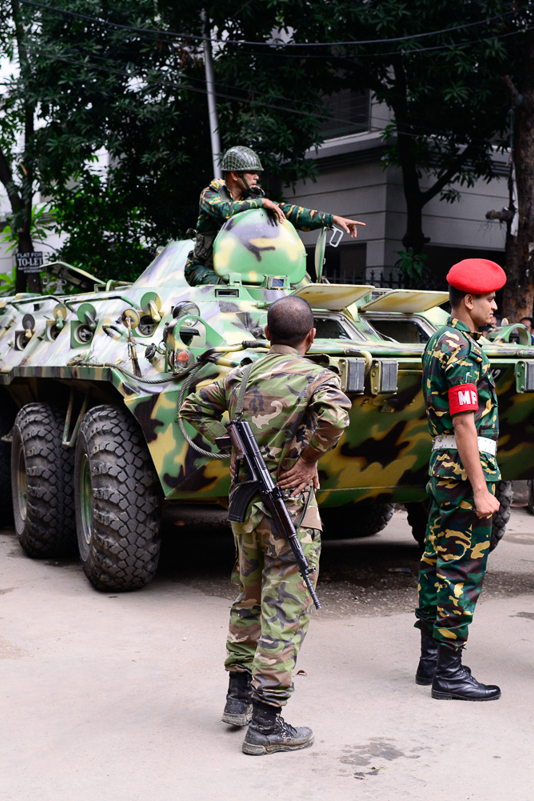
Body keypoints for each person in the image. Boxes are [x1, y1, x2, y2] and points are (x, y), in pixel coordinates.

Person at [180, 296, 350, 755]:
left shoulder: (241, 376)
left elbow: (191, 408)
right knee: (286, 610)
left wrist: (231, 446)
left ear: (268, 335)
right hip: (289, 511)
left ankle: (237, 699)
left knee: (249, 597)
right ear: (310, 336)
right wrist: (309, 458)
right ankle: (267, 723)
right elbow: (337, 416)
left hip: (246, 507)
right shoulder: (317, 377)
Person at [408, 259, 508, 703]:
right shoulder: (462, 348)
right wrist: (482, 489)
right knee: (460, 567)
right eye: (489, 298)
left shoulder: (438, 341)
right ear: (469, 300)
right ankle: (449, 670)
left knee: (436, 559)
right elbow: (466, 423)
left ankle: (431, 660)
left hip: (443, 464)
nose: (495, 306)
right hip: (466, 469)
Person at [184, 146, 365, 286]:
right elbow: (225, 211)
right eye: (252, 172)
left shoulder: (254, 197)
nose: (256, 177)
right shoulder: (210, 195)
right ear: (235, 175)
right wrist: (262, 203)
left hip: (244, 269)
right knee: (227, 292)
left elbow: (291, 213)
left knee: (303, 286)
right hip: (204, 267)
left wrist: (331, 219)